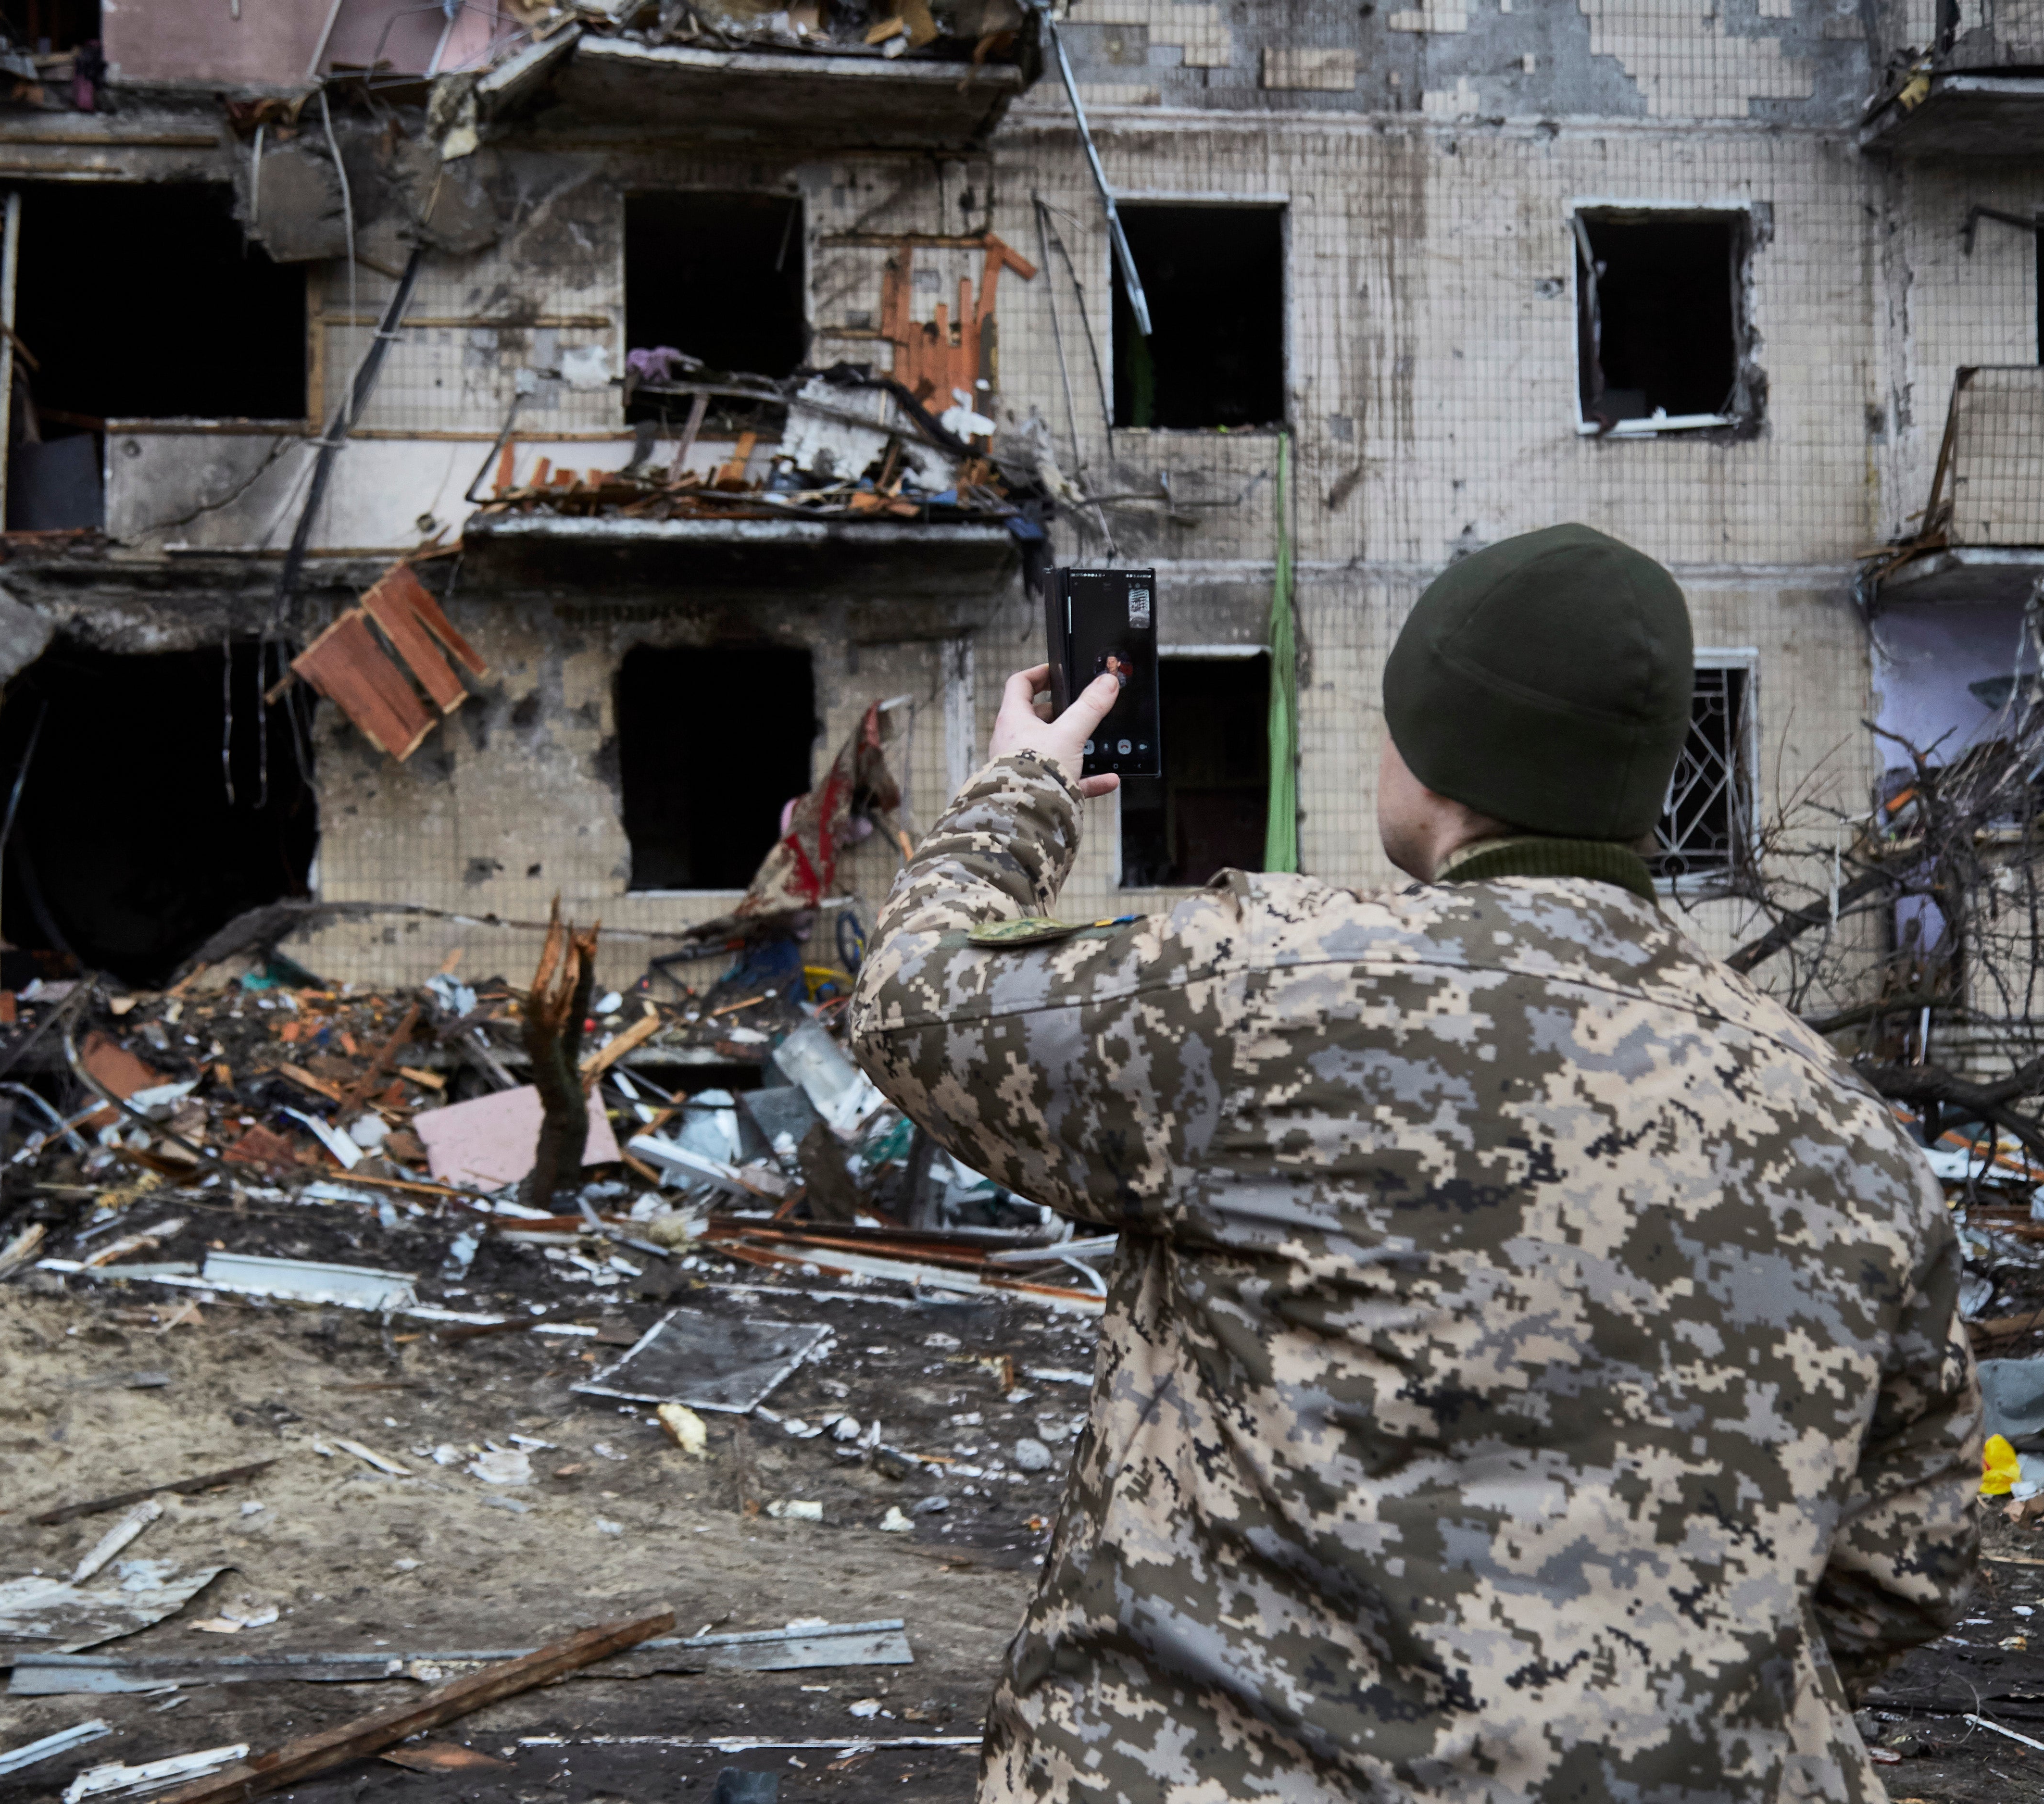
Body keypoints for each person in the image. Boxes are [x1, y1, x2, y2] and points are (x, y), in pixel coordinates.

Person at [848, 523, 1981, 1801]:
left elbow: (912, 1002)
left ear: (1427, 754)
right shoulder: (1846, 1134)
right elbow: (1908, 1557)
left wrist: (1020, 791)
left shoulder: (1263, 989)